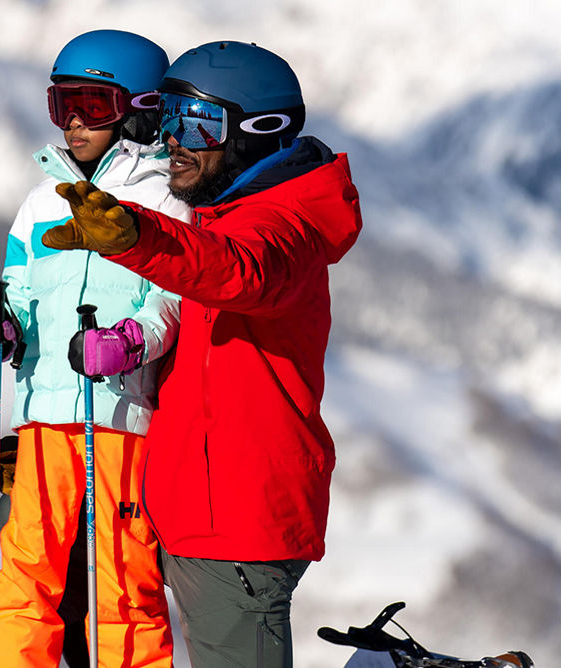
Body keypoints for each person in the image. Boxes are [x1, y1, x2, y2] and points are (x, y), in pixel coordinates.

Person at [43, 40, 363, 668]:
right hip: (183, 510)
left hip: (237, 524)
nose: (172, 140)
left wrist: (138, 236)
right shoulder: (218, 218)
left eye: (197, 123)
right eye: (167, 118)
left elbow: (238, 271)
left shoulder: (283, 229)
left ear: (260, 129)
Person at [0, 29, 190, 668]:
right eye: (61, 103)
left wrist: (129, 342)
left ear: (140, 110)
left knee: (122, 584)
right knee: (25, 575)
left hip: (121, 420)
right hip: (42, 422)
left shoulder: (164, 200)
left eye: (93, 105)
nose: (73, 121)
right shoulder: (41, 202)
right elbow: (18, 288)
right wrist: (5, 327)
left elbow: (170, 301)